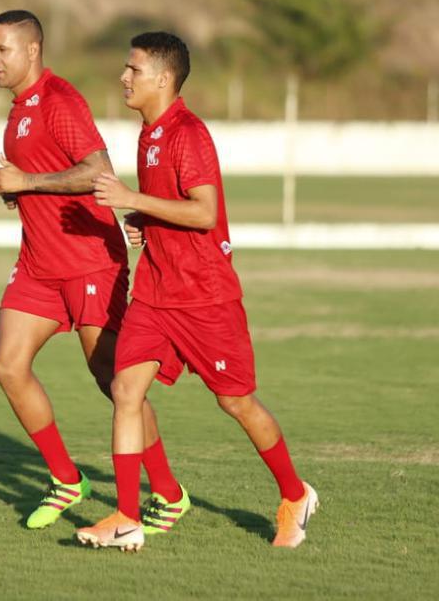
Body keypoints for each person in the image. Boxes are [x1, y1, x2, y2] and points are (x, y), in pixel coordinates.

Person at [77, 31, 316, 551]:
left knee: (237, 403)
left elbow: (205, 212)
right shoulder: (149, 132)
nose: (123, 77)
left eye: (133, 69)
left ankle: (295, 494)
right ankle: (125, 516)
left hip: (205, 297)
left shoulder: (189, 134)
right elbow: (172, 203)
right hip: (155, 295)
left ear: (162, 79)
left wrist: (130, 197)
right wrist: (143, 216)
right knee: (124, 390)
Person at [0, 10, 184, 531]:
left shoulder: (59, 100)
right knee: (7, 365)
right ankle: (67, 480)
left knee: (115, 381)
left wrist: (25, 182)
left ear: (32, 50)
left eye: (2, 50)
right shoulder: (17, 110)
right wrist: (17, 193)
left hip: (90, 260)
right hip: (38, 264)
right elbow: (46, 180)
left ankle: (167, 492)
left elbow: (98, 172)